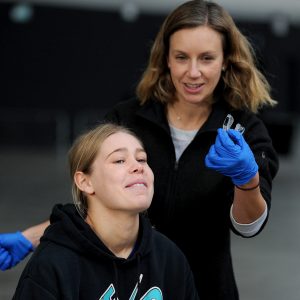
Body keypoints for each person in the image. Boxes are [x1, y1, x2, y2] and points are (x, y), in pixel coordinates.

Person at [0, 0, 279, 299]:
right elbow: (95, 201)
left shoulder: (243, 131)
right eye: (181, 57)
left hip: (203, 286)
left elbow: (249, 227)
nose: (193, 72)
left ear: (225, 60)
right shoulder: (129, 119)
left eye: (207, 58)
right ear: (166, 59)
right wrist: (32, 237)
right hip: (126, 283)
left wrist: (246, 179)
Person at [12, 123, 200, 299]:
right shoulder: (52, 266)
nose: (138, 167)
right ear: (85, 182)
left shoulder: (169, 258)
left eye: (142, 159)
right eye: (119, 160)